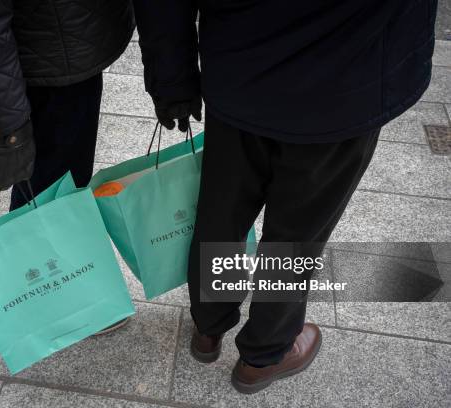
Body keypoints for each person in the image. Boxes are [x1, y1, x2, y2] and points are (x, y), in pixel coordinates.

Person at [133, 0, 436, 393]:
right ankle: (263, 355)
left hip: (240, 68)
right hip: (347, 79)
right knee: (296, 236)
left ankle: (208, 326)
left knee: (222, 212)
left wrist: (172, 78)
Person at [0, 0, 135, 332]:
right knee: (47, 183)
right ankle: (48, 297)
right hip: (39, 57)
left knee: (62, 179)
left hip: (66, 44)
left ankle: (48, 286)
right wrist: (4, 130)